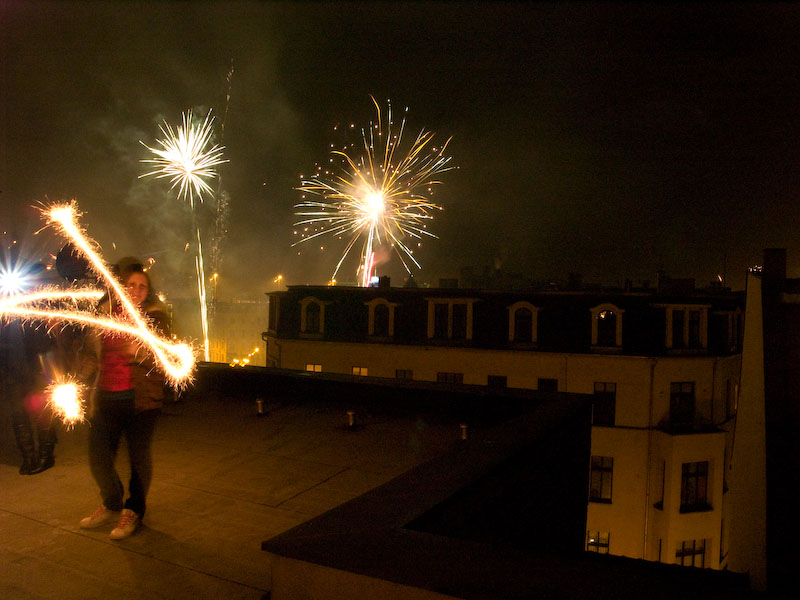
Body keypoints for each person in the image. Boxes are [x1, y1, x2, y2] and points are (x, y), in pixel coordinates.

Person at [78, 259, 170, 540]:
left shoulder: (155, 316)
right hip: (106, 396)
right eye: (131, 284)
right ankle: (112, 501)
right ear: (120, 285)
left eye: (143, 286)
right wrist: (78, 376)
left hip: (141, 399)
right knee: (98, 457)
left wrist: (139, 351)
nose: (137, 290)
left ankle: (134, 510)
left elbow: (164, 358)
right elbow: (92, 353)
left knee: (138, 458)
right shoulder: (103, 312)